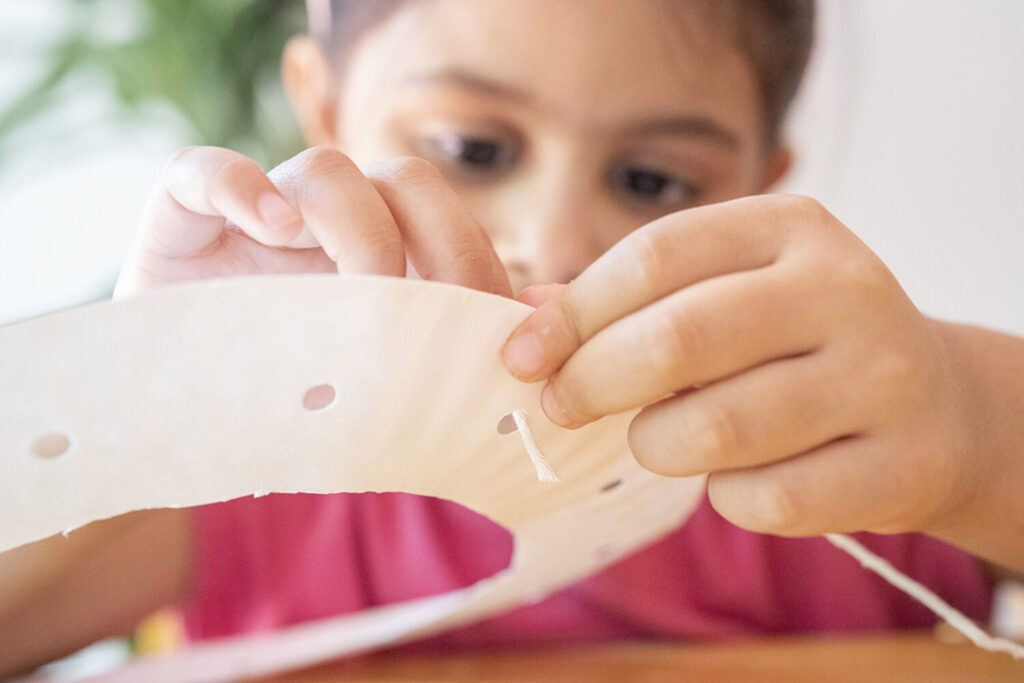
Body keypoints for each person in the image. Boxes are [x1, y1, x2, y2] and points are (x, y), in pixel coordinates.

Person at [4, 0, 1024, 675]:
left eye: (651, 180)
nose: (555, 237)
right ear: (321, 108)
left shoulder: (849, 444)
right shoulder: (254, 483)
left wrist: (976, 420)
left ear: (759, 178)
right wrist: (146, 405)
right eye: (472, 150)